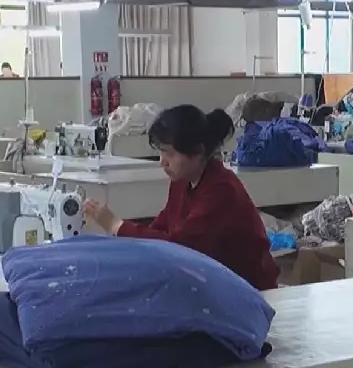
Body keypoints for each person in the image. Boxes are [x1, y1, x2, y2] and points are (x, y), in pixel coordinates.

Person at [82, 105, 280, 291]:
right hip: (213, 280)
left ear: (198, 152)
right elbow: (164, 224)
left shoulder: (222, 191)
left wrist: (116, 225)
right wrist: (126, 242)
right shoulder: (183, 180)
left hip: (247, 289)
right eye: (160, 152)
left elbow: (180, 247)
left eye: (169, 153)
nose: (162, 162)